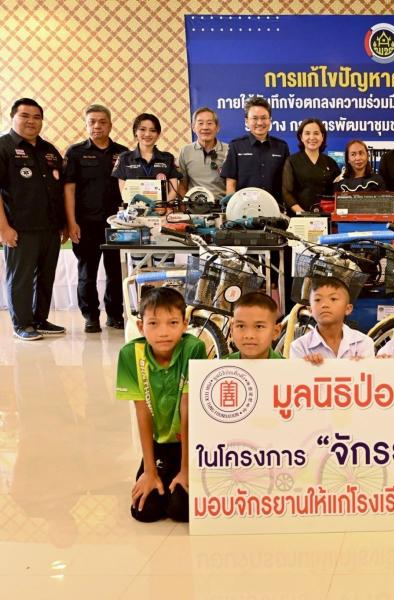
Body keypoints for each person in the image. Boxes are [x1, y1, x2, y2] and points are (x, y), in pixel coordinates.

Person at [115, 287, 206, 522]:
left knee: (181, 511)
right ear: (140, 326)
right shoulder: (129, 354)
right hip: (159, 445)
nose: (163, 332)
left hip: (189, 442)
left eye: (172, 323)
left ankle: (177, 477)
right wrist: (149, 470)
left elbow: (188, 410)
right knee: (144, 512)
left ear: (185, 324)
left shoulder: (193, 348)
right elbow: (142, 412)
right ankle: (160, 474)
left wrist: (186, 471)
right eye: (153, 324)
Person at [0, 98, 66, 341]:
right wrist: (3, 228)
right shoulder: (4, 147)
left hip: (50, 227)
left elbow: (59, 189)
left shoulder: (49, 150)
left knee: (46, 277)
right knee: (21, 279)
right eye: (25, 116)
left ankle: (40, 319)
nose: (31, 121)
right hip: (20, 228)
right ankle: (22, 324)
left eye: (37, 117)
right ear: (13, 117)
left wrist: (63, 224)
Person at [64, 104, 128, 333]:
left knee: (116, 272)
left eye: (102, 122)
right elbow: (69, 189)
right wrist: (71, 222)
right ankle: (90, 316)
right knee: (87, 273)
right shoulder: (75, 152)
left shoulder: (123, 153)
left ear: (110, 125)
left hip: (117, 225)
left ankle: (114, 314)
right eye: (92, 121)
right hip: (85, 224)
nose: (97, 126)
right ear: (86, 124)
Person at [220, 96, 290, 207]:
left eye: (264, 118)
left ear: (270, 120)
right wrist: (232, 208)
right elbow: (231, 183)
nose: (260, 122)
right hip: (244, 209)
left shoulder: (282, 147)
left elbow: (287, 183)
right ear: (246, 121)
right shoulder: (236, 146)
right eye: (255, 118)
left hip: (274, 208)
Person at [290, 277, 375, 362]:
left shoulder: (363, 342)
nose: (324, 305)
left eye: (333, 299)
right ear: (310, 310)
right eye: (317, 300)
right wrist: (308, 366)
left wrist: (360, 366)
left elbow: (368, 370)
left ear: (348, 309)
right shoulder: (299, 346)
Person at [112, 113, 182, 204]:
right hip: (134, 210)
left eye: (153, 130)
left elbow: (173, 191)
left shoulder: (168, 158)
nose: (147, 134)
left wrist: (161, 207)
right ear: (135, 132)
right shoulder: (124, 158)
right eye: (142, 129)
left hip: (162, 210)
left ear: (158, 134)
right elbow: (124, 193)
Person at [283, 118, 341, 214]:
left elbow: (337, 192)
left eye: (316, 133)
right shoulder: (292, 161)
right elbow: (287, 192)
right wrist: (302, 214)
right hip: (299, 217)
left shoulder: (331, 163)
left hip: (326, 217)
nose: (312, 137)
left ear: (322, 137)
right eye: (307, 133)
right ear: (301, 137)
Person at [177, 107, 229, 201]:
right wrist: (184, 208)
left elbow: (233, 184)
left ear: (217, 127)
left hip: (221, 206)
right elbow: (182, 185)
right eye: (200, 123)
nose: (205, 127)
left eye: (209, 123)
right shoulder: (185, 151)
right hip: (194, 206)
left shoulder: (229, 150)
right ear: (193, 127)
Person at [225, 292, 284, 359]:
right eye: (241, 326)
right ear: (232, 330)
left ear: (275, 332)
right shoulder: (221, 364)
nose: (249, 336)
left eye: (259, 326)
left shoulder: (288, 365)